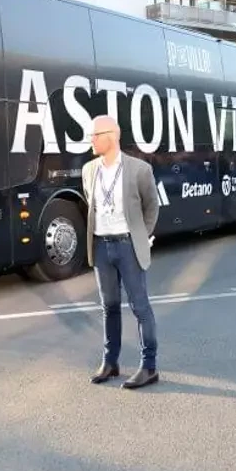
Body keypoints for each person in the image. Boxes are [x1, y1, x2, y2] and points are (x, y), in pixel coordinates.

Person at [83, 115, 163, 389]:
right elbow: (91, 204)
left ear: (111, 135)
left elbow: (152, 206)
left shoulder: (139, 170)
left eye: (95, 135)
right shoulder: (89, 170)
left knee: (140, 307)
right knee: (109, 307)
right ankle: (110, 362)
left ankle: (149, 366)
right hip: (101, 246)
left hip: (128, 246)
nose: (91, 140)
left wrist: (142, 236)